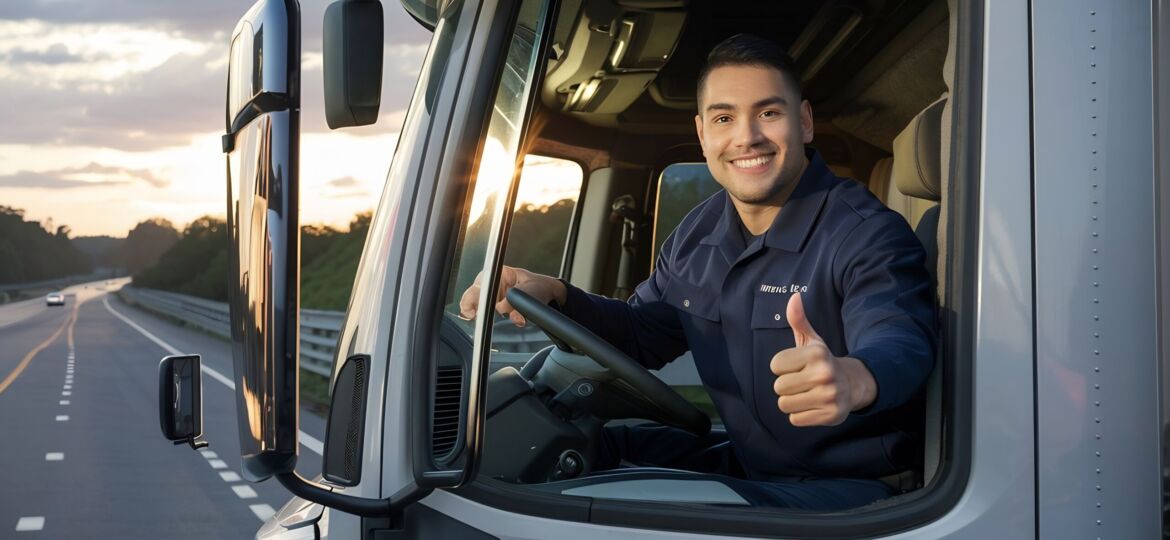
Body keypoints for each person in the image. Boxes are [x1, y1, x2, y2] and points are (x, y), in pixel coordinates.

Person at [460, 33, 936, 510]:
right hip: (755, 466)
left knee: (595, 507)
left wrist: (854, 379)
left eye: (769, 113)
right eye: (724, 118)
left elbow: (900, 341)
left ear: (805, 122)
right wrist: (555, 293)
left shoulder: (866, 233)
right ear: (704, 133)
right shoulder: (699, 233)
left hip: (855, 491)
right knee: (595, 452)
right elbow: (641, 333)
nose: (746, 136)